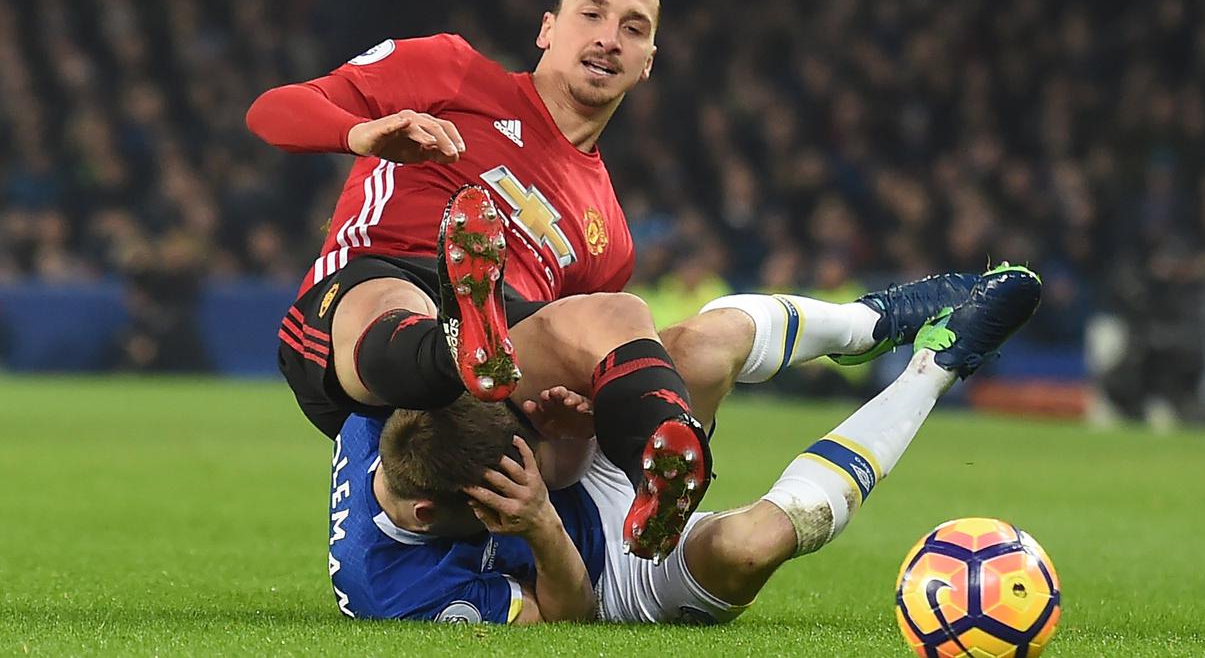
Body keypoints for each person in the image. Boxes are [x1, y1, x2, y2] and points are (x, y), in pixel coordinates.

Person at [246, 0, 715, 557]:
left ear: (648, 62)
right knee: (396, 301)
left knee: (618, 313)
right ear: (548, 28)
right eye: (592, 14)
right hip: (376, 285)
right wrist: (362, 134)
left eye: (633, 27)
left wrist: (572, 416)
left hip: (484, 383)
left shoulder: (611, 235)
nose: (608, 38)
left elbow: (558, 444)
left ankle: (662, 465)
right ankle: (455, 336)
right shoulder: (452, 71)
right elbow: (271, 112)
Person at [325, 263, 1043, 622]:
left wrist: (564, 433)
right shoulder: (391, 586)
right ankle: (937, 365)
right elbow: (567, 619)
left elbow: (539, 437)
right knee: (750, 547)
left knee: (697, 350)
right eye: (505, 486)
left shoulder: (393, 412)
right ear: (428, 516)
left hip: (578, 476)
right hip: (604, 574)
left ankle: (869, 320)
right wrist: (539, 519)